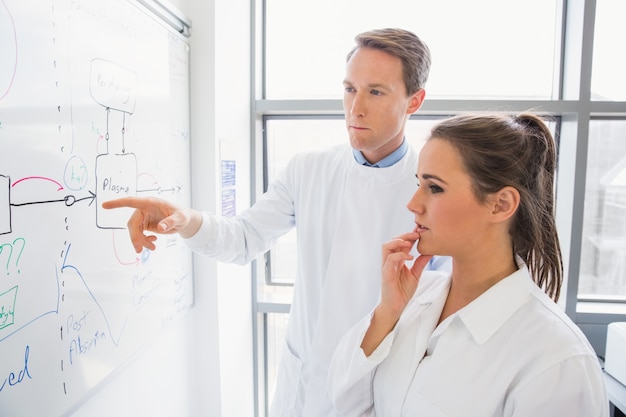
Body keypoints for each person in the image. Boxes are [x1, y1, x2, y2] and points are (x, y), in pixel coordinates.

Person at [102, 28, 450, 417]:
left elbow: (439, 317)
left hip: (376, 394)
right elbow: (244, 239)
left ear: (414, 101)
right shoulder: (308, 169)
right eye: (350, 89)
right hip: (301, 386)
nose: (355, 108)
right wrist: (185, 220)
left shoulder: (432, 192)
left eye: (376, 92)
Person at [327, 112, 610, 416]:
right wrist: (387, 313)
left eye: (434, 188)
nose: (413, 204)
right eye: (419, 183)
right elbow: (345, 403)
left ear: (500, 205)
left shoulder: (557, 360)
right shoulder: (415, 297)